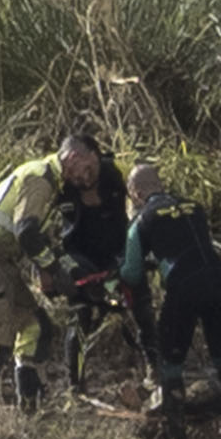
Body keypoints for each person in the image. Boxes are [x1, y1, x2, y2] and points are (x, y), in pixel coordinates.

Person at [0, 135, 102, 411]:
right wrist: (54, 269)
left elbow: (34, 237)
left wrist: (52, 269)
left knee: (36, 327)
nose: (87, 179)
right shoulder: (41, 178)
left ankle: (31, 407)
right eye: (87, 169)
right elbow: (25, 231)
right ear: (74, 158)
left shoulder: (49, 181)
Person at [117, 162, 221, 439]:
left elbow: (131, 272)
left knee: (171, 360)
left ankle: (177, 436)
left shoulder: (141, 222)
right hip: (220, 282)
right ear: (160, 185)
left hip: (184, 287)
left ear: (136, 194)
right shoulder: (194, 207)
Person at [55, 133, 131, 390]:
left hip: (115, 252)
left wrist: (125, 261)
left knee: (136, 306)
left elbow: (128, 219)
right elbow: (46, 236)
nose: (84, 179)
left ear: (95, 156)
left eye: (89, 170)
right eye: (76, 176)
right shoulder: (59, 185)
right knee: (80, 316)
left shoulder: (113, 174)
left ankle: (153, 368)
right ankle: (75, 384)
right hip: (79, 257)